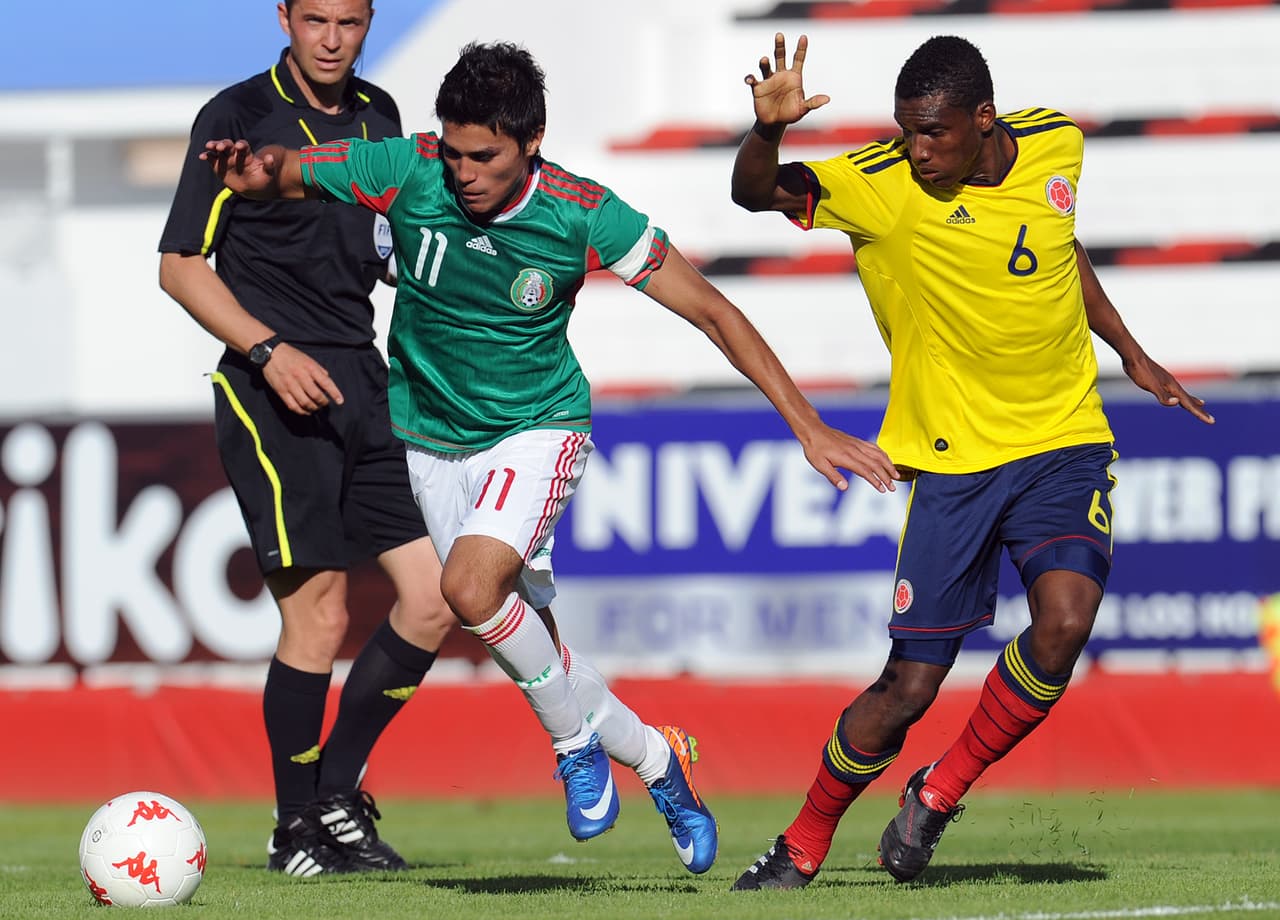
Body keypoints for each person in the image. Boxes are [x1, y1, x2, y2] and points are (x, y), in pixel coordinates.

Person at [200, 40, 901, 875]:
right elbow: (296, 169)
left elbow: (712, 310)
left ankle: (573, 746)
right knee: (538, 646)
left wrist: (808, 424)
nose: (463, 172)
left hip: (538, 428)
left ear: (530, 142)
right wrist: (255, 170)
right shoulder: (407, 167)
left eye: (484, 156)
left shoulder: (583, 212)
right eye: (454, 152)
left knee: (465, 590)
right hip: (429, 441)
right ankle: (656, 759)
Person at [727, 33, 1215, 890]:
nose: (916, 150)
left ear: (983, 120)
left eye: (933, 133)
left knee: (1063, 623)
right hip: (953, 464)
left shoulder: (1057, 140)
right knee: (909, 687)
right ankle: (801, 842)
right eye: (906, 131)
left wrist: (1132, 352)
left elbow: (1057, 243)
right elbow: (756, 192)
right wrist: (766, 134)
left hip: (1063, 439)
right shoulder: (881, 187)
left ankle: (938, 794)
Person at [158, 0, 457, 876]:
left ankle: (332, 791)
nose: (333, 38)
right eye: (316, 18)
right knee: (320, 613)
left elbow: (391, 245)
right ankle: (297, 826)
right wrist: (268, 348)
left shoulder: (382, 118)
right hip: (270, 385)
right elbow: (178, 264)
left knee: (437, 597)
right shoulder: (235, 117)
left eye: (352, 21)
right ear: (283, 16)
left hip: (364, 380)